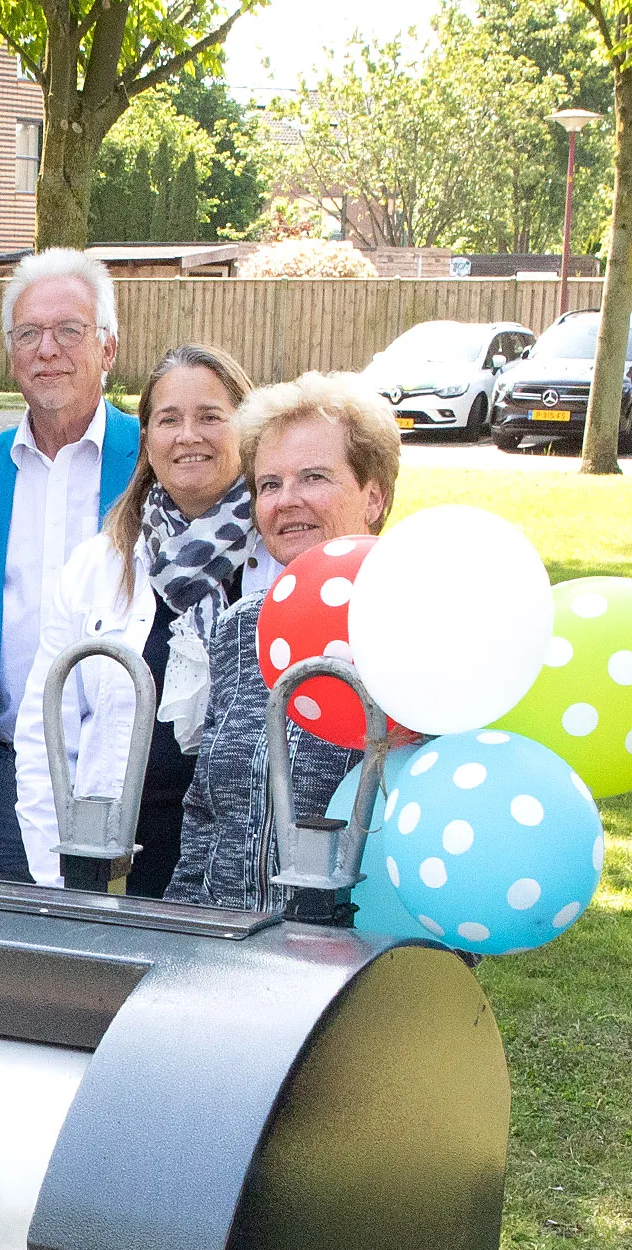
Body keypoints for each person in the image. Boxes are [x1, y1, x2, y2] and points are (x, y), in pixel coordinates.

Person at [0, 249, 142, 883]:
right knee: (10, 968)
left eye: (69, 330)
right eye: (28, 333)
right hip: (0, 780)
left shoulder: (150, 461)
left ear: (107, 347)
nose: (47, 349)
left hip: (129, 771)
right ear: (11, 351)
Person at [8, 343, 253, 897]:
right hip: (121, 862)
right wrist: (61, 875)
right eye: (169, 420)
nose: (188, 435)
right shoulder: (99, 566)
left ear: (246, 428)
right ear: (147, 440)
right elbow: (46, 736)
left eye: (210, 416)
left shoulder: (278, 562)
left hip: (247, 865)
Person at [160, 374, 400, 910]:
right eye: (269, 484)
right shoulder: (243, 626)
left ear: (375, 495)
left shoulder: (416, 624)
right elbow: (206, 811)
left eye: (313, 477)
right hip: (225, 954)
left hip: (359, 961)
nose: (285, 501)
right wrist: (179, 929)